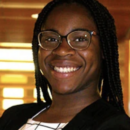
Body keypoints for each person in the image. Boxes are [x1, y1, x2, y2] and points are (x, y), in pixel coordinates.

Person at [0, 0, 130, 129]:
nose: (62, 50)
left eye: (80, 39)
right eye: (51, 39)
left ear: (103, 49)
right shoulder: (13, 117)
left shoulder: (115, 126)